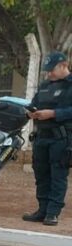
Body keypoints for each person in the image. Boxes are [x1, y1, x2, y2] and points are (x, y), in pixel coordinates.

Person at [23, 51, 72, 226]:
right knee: (41, 174)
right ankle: (42, 210)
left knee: (57, 175)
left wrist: (53, 113)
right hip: (41, 137)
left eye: (52, 69)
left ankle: (53, 213)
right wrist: (30, 111)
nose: (49, 73)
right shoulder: (45, 85)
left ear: (63, 65)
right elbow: (35, 102)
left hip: (61, 139)